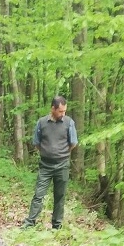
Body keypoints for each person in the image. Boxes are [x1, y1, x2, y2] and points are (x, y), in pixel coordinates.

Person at [22, 96, 79, 229]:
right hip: (45, 165)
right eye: (60, 111)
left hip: (62, 165)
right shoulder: (42, 123)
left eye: (64, 111)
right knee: (38, 194)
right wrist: (47, 152)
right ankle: (30, 223)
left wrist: (61, 153)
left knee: (60, 196)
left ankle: (57, 225)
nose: (63, 114)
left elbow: (73, 143)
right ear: (53, 109)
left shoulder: (69, 122)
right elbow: (36, 142)